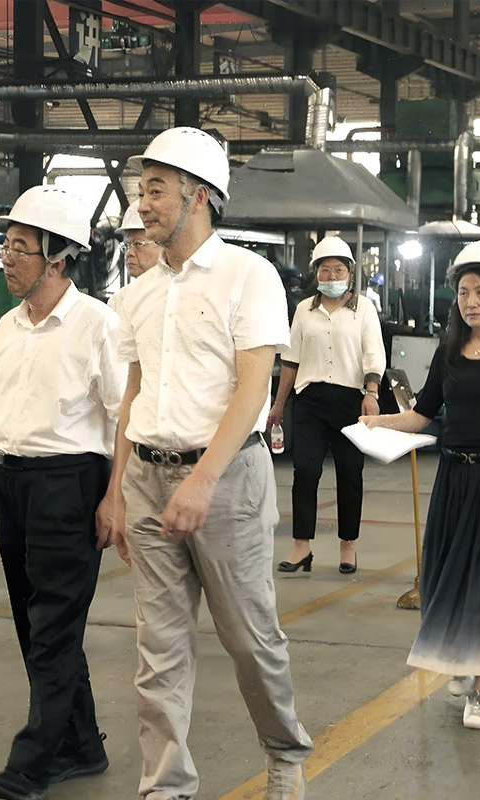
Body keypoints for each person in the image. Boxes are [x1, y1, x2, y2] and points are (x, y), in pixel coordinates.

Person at [102, 126, 313, 800]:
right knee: (157, 652)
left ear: (198, 195)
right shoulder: (138, 293)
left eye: (156, 189)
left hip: (225, 484)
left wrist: (200, 481)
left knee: (249, 640)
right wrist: (117, 489)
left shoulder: (247, 275)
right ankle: (166, 788)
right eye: (142, 190)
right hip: (147, 479)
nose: (144, 204)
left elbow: (254, 387)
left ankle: (284, 754)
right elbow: (132, 395)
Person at [0, 184, 125, 800]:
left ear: (57, 256)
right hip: (12, 483)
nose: (7, 259)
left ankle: (33, 762)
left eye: (20, 248)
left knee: (53, 627)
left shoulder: (97, 324)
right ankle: (83, 745)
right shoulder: (10, 328)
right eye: (6, 247)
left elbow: (127, 417)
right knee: (34, 622)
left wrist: (115, 497)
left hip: (69, 485)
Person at [361, 240, 480, 730]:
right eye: (464, 292)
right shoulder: (449, 352)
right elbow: (423, 415)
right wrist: (377, 422)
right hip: (454, 477)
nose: (471, 301)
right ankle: (458, 659)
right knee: (447, 576)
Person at [267, 235, 385, 575]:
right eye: (325, 270)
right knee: (305, 472)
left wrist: (372, 393)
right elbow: (291, 360)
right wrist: (278, 405)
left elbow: (373, 354)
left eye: (338, 270)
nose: (331, 277)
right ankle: (302, 547)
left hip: (350, 401)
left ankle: (348, 546)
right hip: (310, 402)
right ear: (315, 273)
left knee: (350, 475)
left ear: (349, 273)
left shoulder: (363, 309)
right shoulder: (304, 310)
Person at [108, 200, 160, 315]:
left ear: (163, 245)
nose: (128, 253)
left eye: (138, 244)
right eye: (126, 246)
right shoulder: (118, 301)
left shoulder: (177, 294)